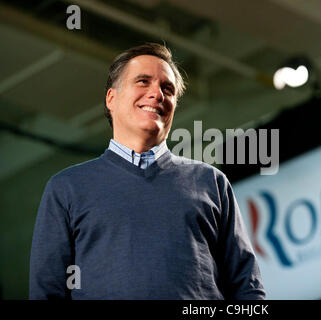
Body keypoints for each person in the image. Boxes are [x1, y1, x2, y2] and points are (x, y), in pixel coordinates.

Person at [29, 43, 265, 300]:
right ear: (111, 98)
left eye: (168, 88)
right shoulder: (67, 188)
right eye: (143, 81)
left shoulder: (211, 182)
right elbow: (47, 291)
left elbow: (247, 287)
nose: (157, 94)